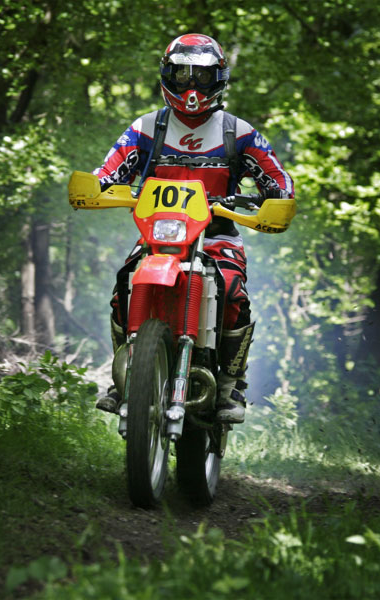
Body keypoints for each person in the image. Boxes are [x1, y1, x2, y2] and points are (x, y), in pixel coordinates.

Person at [92, 33, 294, 424]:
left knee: (232, 288)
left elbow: (277, 176)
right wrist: (97, 185)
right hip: (158, 236)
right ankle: (124, 377)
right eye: (182, 75)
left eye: (201, 76)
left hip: (216, 235)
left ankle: (231, 384)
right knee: (123, 283)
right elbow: (109, 168)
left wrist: (277, 194)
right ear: (166, 75)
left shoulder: (238, 132)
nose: (191, 87)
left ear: (218, 78)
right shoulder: (147, 127)